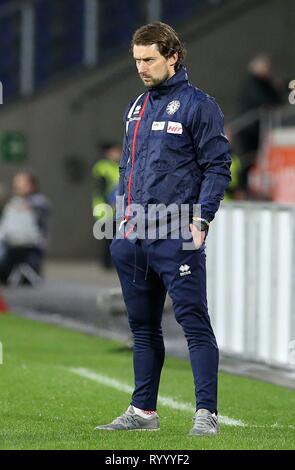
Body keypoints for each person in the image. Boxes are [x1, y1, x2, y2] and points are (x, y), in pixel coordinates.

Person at [95, 22, 231, 436]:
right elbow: (127, 167)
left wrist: (202, 217)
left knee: (193, 323)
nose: (141, 67)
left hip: (177, 234)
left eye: (149, 59)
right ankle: (143, 412)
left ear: (173, 57)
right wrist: (120, 223)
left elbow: (217, 166)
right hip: (132, 236)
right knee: (142, 328)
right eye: (137, 60)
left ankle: (206, 413)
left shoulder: (198, 105)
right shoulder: (135, 107)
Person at [237, 54, 282, 194]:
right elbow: (263, 99)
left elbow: (276, 99)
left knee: (255, 158)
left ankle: (247, 187)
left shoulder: (264, 83)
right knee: (247, 158)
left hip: (258, 127)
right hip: (248, 128)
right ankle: (241, 187)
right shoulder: (252, 83)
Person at [0, 171, 50, 285]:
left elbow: (38, 206)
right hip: (10, 241)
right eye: (16, 183)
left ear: (32, 186)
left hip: (30, 244)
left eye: (21, 183)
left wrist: (21, 206)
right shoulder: (13, 203)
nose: (17, 186)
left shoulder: (40, 202)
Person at [92, 142, 121, 268]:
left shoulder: (119, 165)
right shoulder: (102, 167)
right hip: (105, 208)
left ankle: (112, 262)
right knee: (109, 237)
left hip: (117, 207)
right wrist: (110, 203)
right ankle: (107, 263)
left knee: (115, 236)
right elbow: (101, 188)